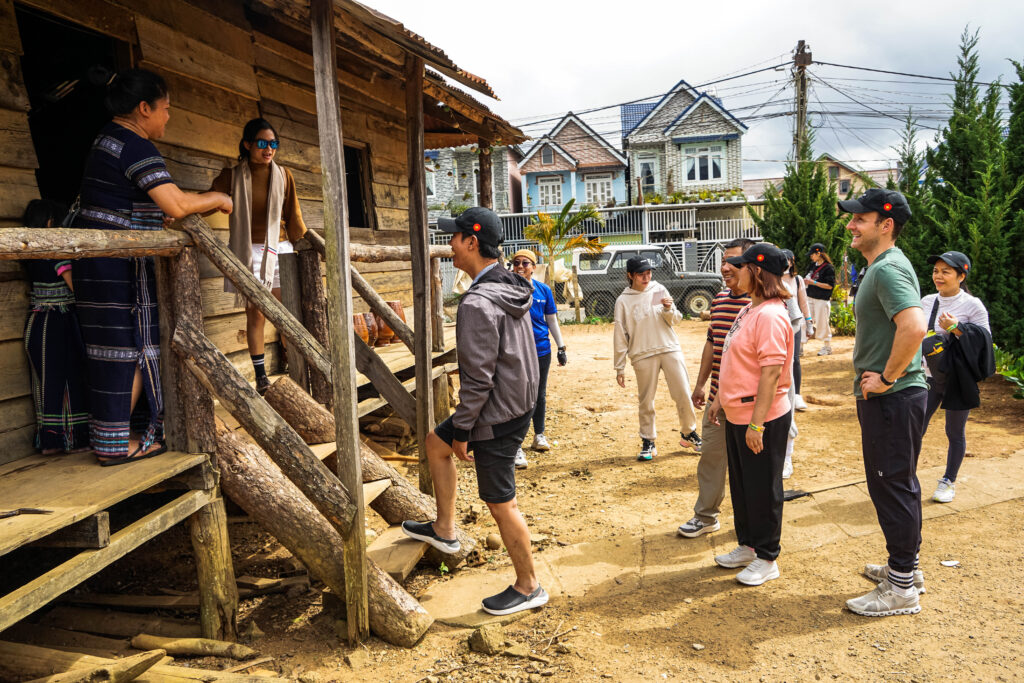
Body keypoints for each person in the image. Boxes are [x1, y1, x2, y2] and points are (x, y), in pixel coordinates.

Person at [71, 68, 233, 465]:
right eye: (165, 109)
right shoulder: (136, 146)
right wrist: (218, 198)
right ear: (144, 108)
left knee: (109, 349)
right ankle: (115, 446)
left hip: (96, 263)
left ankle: (110, 439)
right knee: (132, 349)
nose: (167, 117)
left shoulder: (106, 139)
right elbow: (176, 205)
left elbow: (159, 198)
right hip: (118, 269)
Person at [401, 207, 547, 616]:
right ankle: (445, 530)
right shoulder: (513, 284)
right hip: (514, 402)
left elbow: (478, 380)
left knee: (501, 502)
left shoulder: (477, 303)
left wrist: (464, 430)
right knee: (435, 443)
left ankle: (529, 585)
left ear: (471, 242)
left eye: (454, 237)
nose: (449, 245)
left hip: (494, 412)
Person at [840, 188, 928, 616]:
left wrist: (887, 378)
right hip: (897, 397)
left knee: (891, 485)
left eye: (860, 218)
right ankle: (905, 569)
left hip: (893, 396)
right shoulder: (884, 266)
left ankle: (901, 588)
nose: (851, 225)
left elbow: (913, 326)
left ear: (886, 225)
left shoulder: (887, 269)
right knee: (898, 483)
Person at [706, 243, 794, 586]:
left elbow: (771, 374)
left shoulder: (771, 315)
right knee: (743, 486)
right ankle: (748, 545)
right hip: (737, 412)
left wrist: (757, 423)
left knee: (763, 488)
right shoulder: (750, 309)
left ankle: (768, 556)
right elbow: (733, 359)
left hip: (762, 416)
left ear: (756, 272)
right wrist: (719, 400)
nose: (733, 271)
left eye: (740, 266)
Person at [209, 119, 307, 394]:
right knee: (256, 316)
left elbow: (293, 214)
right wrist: (179, 212)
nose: (269, 149)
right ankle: (262, 377)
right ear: (248, 144)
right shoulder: (231, 176)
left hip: (280, 250)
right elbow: (209, 200)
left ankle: (296, 371)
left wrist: (305, 243)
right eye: (263, 143)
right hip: (247, 252)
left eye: (273, 144)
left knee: (286, 315)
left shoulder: (284, 175)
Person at [677, 238, 753, 538]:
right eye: (723, 260)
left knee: (747, 466)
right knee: (711, 457)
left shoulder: (758, 306)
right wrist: (700, 384)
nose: (725, 267)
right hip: (716, 399)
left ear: (751, 266)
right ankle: (706, 516)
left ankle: (752, 525)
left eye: (733, 261)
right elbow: (713, 343)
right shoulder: (720, 300)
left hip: (747, 402)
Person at [613, 256, 701, 461]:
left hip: (669, 348)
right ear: (630, 275)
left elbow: (676, 320)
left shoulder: (659, 289)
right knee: (646, 401)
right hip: (642, 354)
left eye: (649, 273)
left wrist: (669, 309)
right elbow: (620, 334)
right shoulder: (623, 300)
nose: (646, 277)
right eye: (641, 274)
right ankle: (648, 440)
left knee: (683, 393)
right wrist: (619, 367)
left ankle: (689, 432)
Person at [919, 251, 991, 503]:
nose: (938, 276)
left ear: (961, 275)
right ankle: (905, 477)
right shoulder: (927, 301)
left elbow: (984, 344)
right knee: (915, 426)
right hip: (927, 377)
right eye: (936, 271)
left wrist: (957, 328)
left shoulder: (973, 305)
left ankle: (948, 481)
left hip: (958, 380)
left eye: (945, 271)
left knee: (954, 431)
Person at [22, 199, 90, 455]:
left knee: (47, 383)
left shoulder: (27, 253)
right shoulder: (55, 252)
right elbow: (76, 288)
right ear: (50, 222)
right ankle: (75, 440)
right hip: (58, 323)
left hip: (37, 323)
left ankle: (51, 442)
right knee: (70, 380)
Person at [510, 248, 567, 469]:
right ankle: (515, 445)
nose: (521, 267)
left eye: (525, 263)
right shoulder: (508, 289)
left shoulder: (543, 291)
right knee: (519, 396)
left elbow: (551, 320)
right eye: (516, 263)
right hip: (517, 351)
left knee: (539, 394)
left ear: (534, 267)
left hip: (541, 350)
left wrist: (561, 346)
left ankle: (539, 435)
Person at [780, 249, 809, 478]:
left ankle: (786, 458)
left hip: (783, 357)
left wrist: (808, 323)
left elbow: (798, 311)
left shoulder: (790, 285)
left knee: (786, 408)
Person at [781, 249, 810, 414]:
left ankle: (797, 394)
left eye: (787, 260)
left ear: (792, 261)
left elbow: (803, 302)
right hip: (778, 324)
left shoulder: (797, 280)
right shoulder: (774, 279)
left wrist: (809, 322)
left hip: (795, 324)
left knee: (795, 359)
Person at [804, 242, 835, 355]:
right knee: (804, 321)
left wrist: (814, 282)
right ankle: (800, 346)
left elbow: (830, 285)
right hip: (809, 297)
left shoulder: (828, 268)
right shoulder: (812, 266)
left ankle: (827, 347)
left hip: (821, 299)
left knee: (822, 323)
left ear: (819, 253)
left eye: (812, 254)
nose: (811, 256)